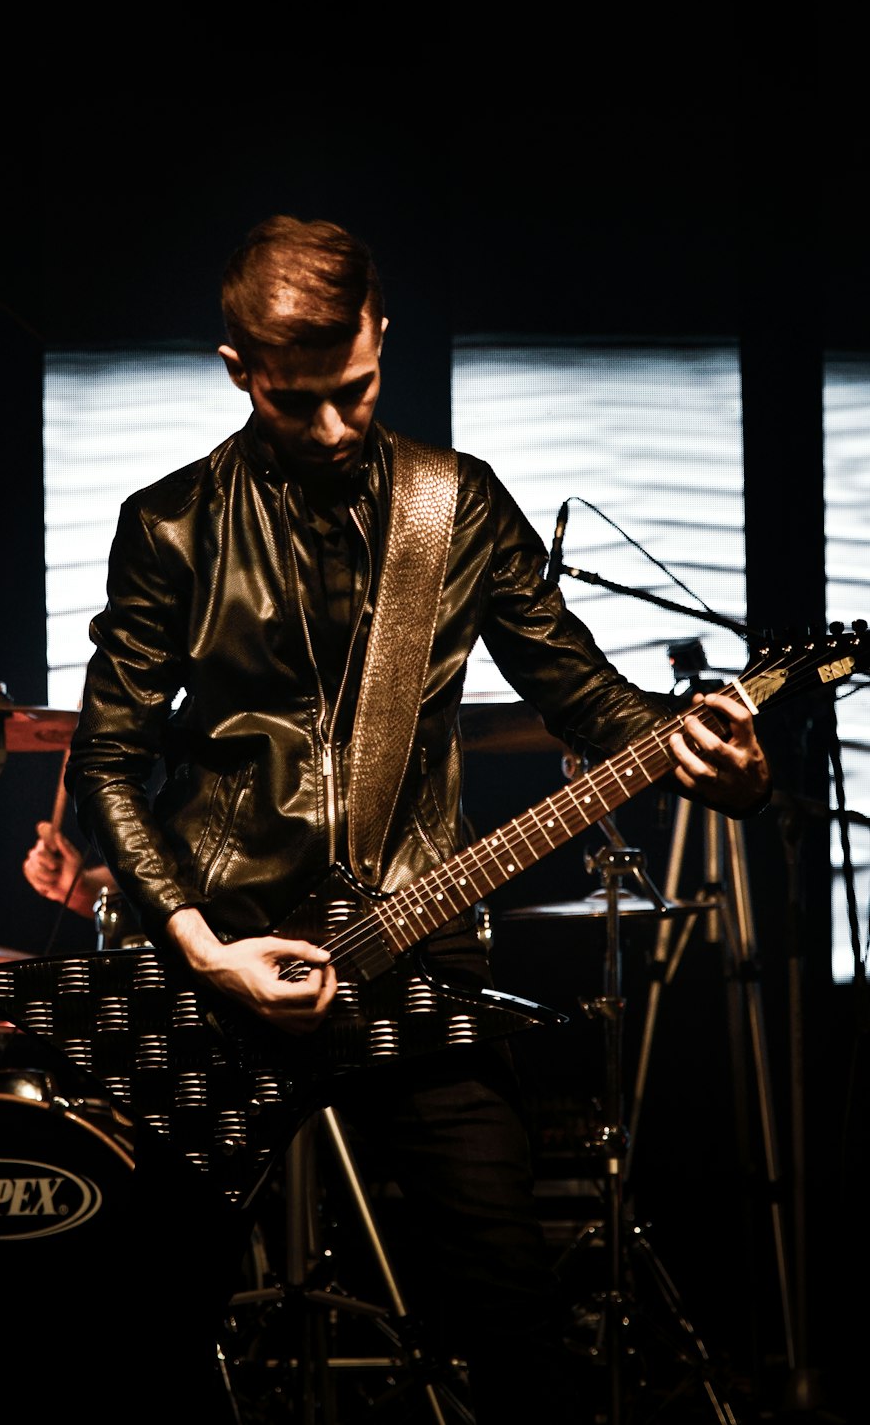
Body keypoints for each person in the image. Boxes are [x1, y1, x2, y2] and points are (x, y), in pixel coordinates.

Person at [47, 214, 770, 1423]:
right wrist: (201, 946)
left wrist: (714, 761)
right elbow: (109, 758)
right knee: (136, 1329)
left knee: (514, 1324)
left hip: (412, 953)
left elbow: (592, 704)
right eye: (294, 403)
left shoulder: (459, 505)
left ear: (384, 333)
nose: (332, 428)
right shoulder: (170, 523)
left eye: (356, 390)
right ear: (236, 370)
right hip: (214, 969)